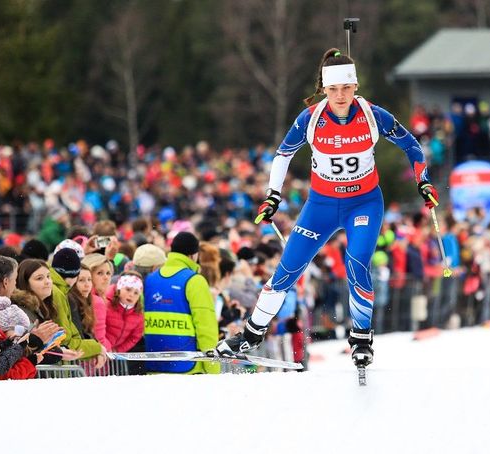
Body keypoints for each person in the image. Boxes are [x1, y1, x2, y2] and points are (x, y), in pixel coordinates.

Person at [216, 48, 439, 367]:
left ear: (355, 87)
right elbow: (282, 155)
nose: (340, 96)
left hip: (363, 202)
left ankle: (362, 340)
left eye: (346, 88)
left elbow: (412, 146)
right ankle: (251, 334)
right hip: (321, 205)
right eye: (333, 89)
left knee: (357, 261)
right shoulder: (310, 118)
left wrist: (424, 182)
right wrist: (273, 196)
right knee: (287, 270)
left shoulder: (374, 116)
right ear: (324, 89)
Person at [143, 232, 219, 374]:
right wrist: (213, 370)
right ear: (193, 255)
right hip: (188, 369)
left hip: (153, 367)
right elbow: (206, 329)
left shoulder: (150, 280)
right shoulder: (195, 281)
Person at [49, 248, 107, 367]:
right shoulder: (59, 294)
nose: (87, 285)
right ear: (75, 276)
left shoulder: (59, 291)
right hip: (56, 367)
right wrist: (97, 348)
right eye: (81, 279)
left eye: (89, 280)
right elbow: (66, 342)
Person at [105, 272, 144, 353]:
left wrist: (117, 350)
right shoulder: (106, 305)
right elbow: (98, 329)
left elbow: (134, 338)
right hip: (100, 350)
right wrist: (105, 347)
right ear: (119, 289)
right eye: (128, 289)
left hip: (114, 357)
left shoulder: (139, 316)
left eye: (136, 293)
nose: (131, 295)